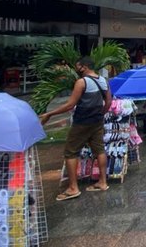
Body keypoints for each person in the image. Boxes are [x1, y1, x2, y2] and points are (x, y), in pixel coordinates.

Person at [39, 56, 112, 200]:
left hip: (82, 122)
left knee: (70, 152)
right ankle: (103, 182)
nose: (76, 69)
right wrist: (100, 114)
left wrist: (50, 114)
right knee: (99, 150)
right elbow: (108, 101)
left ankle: (73, 188)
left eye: (78, 66)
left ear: (83, 67)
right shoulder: (103, 81)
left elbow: (70, 105)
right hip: (97, 121)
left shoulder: (82, 82)